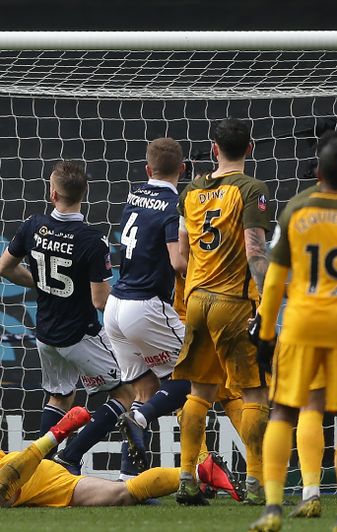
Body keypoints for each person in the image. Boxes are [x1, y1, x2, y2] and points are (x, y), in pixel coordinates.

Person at [0, 160, 133, 475]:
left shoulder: (34, 225)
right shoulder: (91, 240)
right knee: (126, 394)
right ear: (85, 193)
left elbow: (3, 267)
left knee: (60, 396)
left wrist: (39, 282)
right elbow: (100, 300)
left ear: (52, 193)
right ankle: (70, 456)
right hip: (80, 335)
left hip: (45, 334)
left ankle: (41, 469)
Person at [172, 118, 272, 506]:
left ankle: (186, 478)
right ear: (249, 149)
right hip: (233, 303)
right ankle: (258, 482)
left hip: (197, 301)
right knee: (254, 390)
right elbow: (255, 252)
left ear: (214, 149)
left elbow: (180, 259)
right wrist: (264, 302)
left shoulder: (191, 191)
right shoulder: (252, 189)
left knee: (199, 393)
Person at [248, 138, 337, 532]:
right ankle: (313, 491)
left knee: (285, 409)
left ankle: (271, 507)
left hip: (302, 322)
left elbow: (275, 279)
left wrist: (265, 333)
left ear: (317, 173)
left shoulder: (298, 209)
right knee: (319, 407)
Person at [0, 409, 239, 509]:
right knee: (122, 494)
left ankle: (54, 435)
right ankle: (198, 472)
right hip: (41, 473)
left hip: (8, 479)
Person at [104, 138, 192, 476]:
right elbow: (177, 262)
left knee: (144, 389)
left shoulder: (134, 194)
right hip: (145, 307)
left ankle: (129, 476)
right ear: (183, 169)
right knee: (192, 376)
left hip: (115, 307)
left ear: (147, 169)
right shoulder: (174, 205)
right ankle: (140, 417)